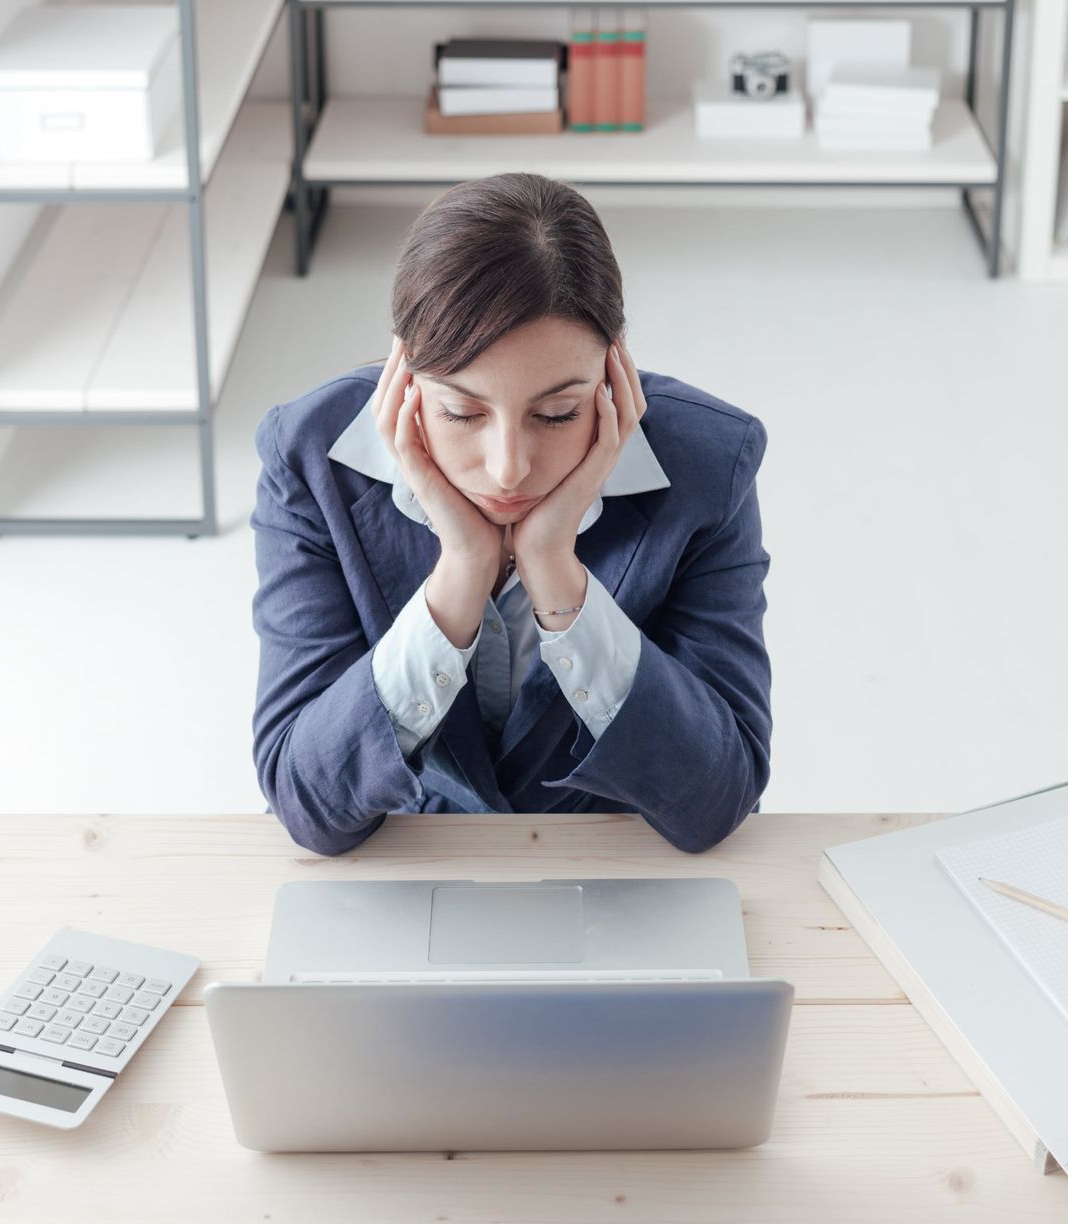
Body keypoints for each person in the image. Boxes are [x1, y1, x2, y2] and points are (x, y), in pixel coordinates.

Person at [249, 172, 772, 856]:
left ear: (615, 374)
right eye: (462, 411)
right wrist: (460, 574)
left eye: (556, 413)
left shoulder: (710, 464)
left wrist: (558, 575)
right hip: (406, 860)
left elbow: (719, 798)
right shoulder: (312, 458)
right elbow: (304, 798)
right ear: (405, 377)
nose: (508, 468)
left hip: (616, 861)